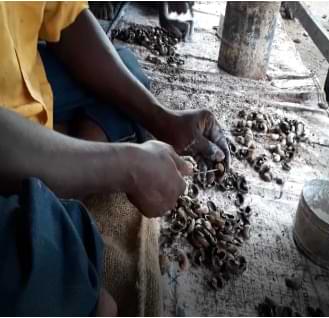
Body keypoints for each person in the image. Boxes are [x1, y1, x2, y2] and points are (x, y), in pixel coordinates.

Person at [0, 2, 229, 316]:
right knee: (51, 279)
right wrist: (121, 166)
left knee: (126, 69)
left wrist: (163, 119)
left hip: (24, 86)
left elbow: (65, 16)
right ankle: (54, 194)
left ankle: (59, 181)